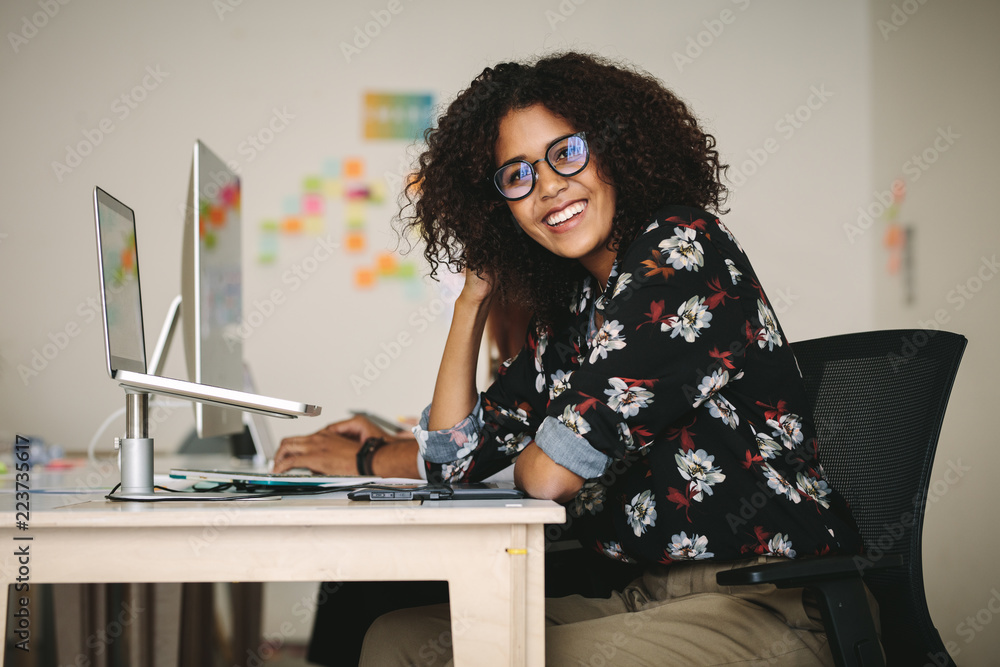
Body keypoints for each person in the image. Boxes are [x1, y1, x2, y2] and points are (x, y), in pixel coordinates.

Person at [347, 51, 869, 666]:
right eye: (516, 176)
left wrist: (539, 450)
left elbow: (548, 476)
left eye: (565, 153)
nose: (547, 187)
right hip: (646, 600)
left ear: (615, 148)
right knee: (396, 639)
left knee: (496, 656)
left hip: (763, 605)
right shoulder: (574, 310)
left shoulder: (682, 251)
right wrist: (473, 298)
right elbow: (452, 464)